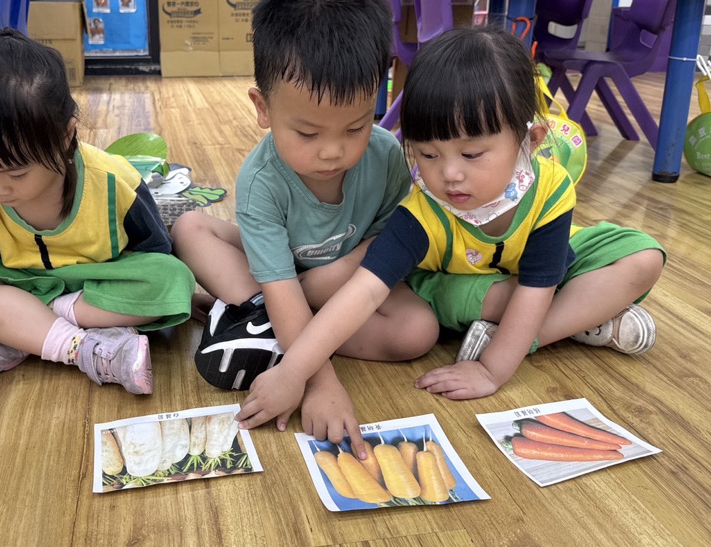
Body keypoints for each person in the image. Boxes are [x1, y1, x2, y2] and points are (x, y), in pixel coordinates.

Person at [237, 27, 666, 433]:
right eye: (428, 154)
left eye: (472, 154)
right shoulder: (421, 212)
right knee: (516, 297)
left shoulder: (551, 188)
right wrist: (294, 373)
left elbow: (541, 283)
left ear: (530, 141)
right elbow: (364, 291)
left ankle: (515, 337)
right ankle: (573, 322)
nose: (450, 175)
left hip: (531, 282)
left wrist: (491, 368)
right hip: (461, 287)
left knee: (643, 258)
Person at [0, 29, 195, 466]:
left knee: (172, 280)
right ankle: (80, 348)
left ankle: (25, 332)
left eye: (16, 173)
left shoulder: (115, 182)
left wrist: (173, 294)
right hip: (20, 285)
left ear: (65, 134)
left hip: (96, 288)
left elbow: (157, 259)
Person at [171, 0, 434, 447]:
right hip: (274, 275)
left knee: (418, 331)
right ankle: (276, 317)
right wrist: (320, 381)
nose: (332, 151)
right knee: (189, 227)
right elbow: (277, 280)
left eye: (355, 128)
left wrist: (313, 291)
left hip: (347, 283)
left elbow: (386, 251)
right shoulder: (261, 180)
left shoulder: (386, 156)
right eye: (308, 134)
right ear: (263, 108)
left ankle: (258, 320)